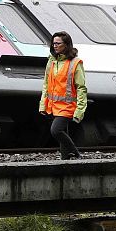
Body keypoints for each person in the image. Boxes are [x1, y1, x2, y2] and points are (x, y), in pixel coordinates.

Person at [39, 31, 88, 160]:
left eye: (58, 43)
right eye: (53, 43)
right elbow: (46, 84)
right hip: (54, 106)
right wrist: (43, 105)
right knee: (62, 132)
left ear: (66, 45)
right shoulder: (52, 61)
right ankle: (65, 158)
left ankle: (75, 154)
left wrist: (79, 111)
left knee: (55, 131)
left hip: (67, 106)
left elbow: (81, 88)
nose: (55, 46)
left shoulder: (75, 63)